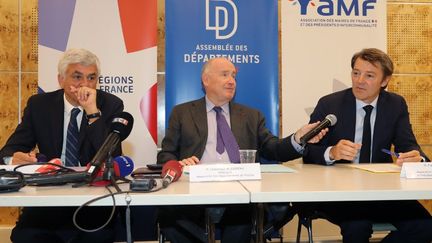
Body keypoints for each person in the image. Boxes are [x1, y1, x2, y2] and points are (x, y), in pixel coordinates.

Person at [157, 57, 327, 243]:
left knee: (245, 217)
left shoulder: (251, 116)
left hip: (240, 192)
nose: (232, 81)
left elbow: (273, 148)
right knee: (168, 217)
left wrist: (298, 138)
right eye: (225, 75)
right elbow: (166, 154)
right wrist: (180, 163)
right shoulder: (182, 113)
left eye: (234, 76)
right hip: (195, 190)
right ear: (206, 80)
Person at [301, 48, 432, 243]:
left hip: (383, 192)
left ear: (385, 80)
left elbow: (409, 145)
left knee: (425, 227)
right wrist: (332, 152)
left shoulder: (395, 105)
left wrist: (417, 159)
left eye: (369, 75)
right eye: (356, 73)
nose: (359, 80)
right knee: (357, 226)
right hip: (340, 194)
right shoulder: (330, 104)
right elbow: (307, 150)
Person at [0, 48, 124, 243]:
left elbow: (111, 157)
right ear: (61, 80)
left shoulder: (110, 105)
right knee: (25, 236)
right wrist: (13, 158)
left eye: (91, 78)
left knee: (97, 237)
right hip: (49, 198)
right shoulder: (40, 105)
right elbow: (8, 150)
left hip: (94, 201)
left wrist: (92, 112)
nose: (85, 85)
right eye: (77, 77)